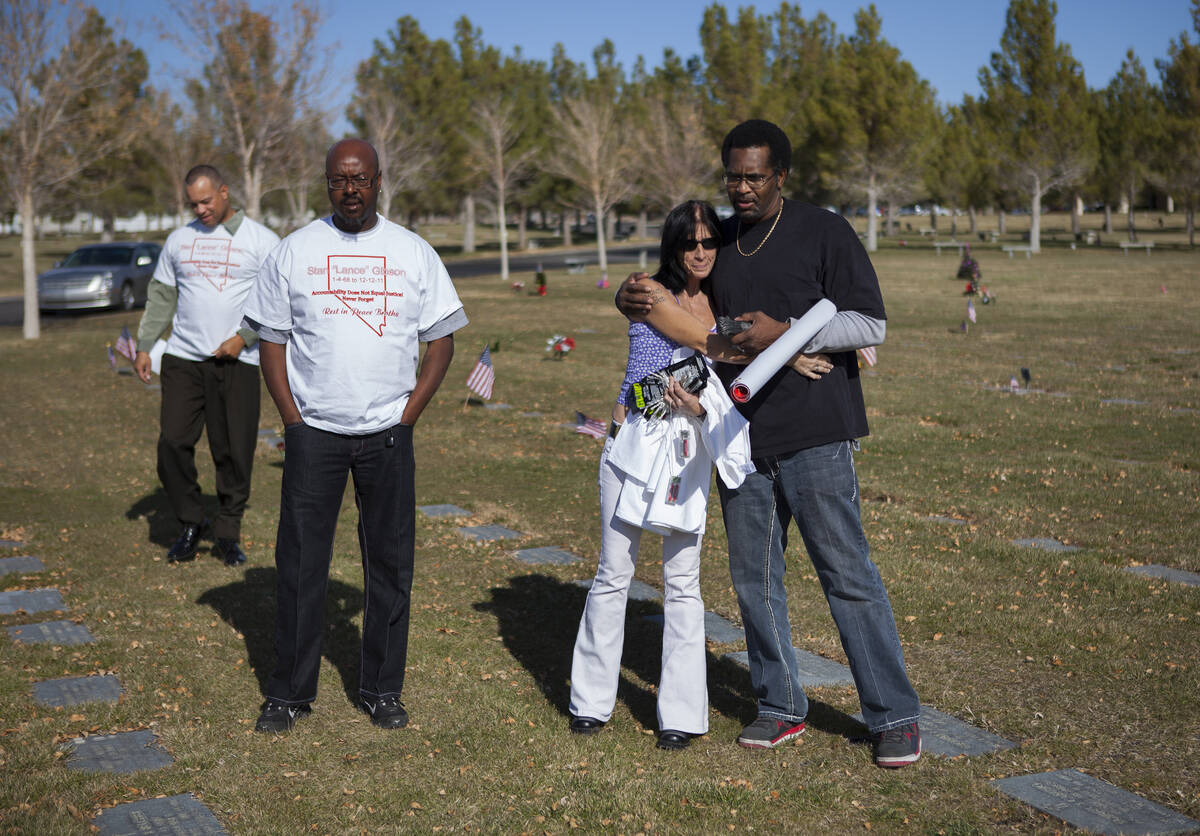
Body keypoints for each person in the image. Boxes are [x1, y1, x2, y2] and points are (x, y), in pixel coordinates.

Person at [618, 120, 922, 768]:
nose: (743, 188)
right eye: (734, 176)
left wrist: (792, 335)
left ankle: (894, 715)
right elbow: (685, 306)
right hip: (738, 438)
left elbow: (872, 322)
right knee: (755, 582)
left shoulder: (824, 231)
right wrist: (631, 296)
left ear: (782, 175)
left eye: (756, 176)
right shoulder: (721, 241)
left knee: (847, 574)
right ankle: (781, 706)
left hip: (816, 434)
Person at [570, 201, 831, 751]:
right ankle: (590, 702)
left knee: (683, 583)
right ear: (673, 245)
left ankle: (681, 716)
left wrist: (780, 353)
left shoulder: (721, 302)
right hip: (629, 446)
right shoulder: (650, 292)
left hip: (684, 454)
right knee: (614, 572)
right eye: (690, 242)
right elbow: (711, 343)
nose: (700, 251)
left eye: (710, 241)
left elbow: (737, 346)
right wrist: (787, 354)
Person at [243, 138, 467, 733]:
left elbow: (441, 339)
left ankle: (381, 688)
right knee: (299, 563)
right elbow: (271, 338)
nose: (350, 190)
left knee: (390, 566)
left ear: (377, 181)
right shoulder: (295, 251)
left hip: (387, 435)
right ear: (326, 184)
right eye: (339, 180)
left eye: (360, 179)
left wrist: (408, 415)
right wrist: (292, 419)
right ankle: (289, 693)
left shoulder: (413, 252)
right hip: (314, 431)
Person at [134, 165, 280, 567]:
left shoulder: (262, 240)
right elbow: (162, 294)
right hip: (183, 358)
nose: (200, 210)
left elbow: (279, 299)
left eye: (206, 201)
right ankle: (191, 522)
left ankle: (228, 531)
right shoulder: (180, 240)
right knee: (173, 444)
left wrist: (244, 338)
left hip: (236, 360)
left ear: (225, 192)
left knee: (234, 451)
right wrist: (146, 345)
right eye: (193, 203)